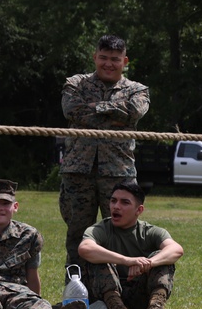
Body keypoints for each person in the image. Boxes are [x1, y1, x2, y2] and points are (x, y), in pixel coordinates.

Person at [60, 35, 150, 272]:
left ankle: (119, 299)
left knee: (121, 235)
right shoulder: (75, 84)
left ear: (125, 61)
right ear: (94, 57)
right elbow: (72, 111)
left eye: (114, 59)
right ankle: (75, 296)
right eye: (103, 58)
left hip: (118, 173)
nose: (108, 64)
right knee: (78, 237)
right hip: (78, 172)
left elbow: (134, 111)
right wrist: (114, 113)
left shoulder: (137, 90)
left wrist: (97, 107)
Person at [78, 181, 183, 309]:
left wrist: (148, 263)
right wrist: (127, 261)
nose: (116, 206)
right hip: (106, 301)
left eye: (124, 202)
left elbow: (176, 249)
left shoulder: (150, 231)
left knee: (163, 259)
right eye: (113, 201)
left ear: (138, 210)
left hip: (139, 296)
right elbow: (85, 248)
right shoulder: (101, 229)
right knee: (98, 258)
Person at [0, 179, 87, 309]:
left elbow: (32, 273)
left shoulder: (28, 236)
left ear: (15, 207)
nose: (0, 208)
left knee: (41, 307)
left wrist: (35, 299)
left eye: (5, 203)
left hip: (16, 294)